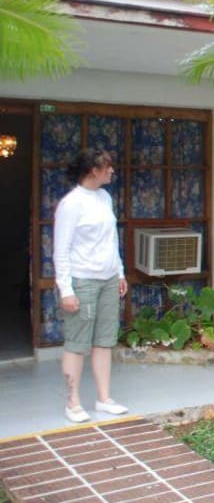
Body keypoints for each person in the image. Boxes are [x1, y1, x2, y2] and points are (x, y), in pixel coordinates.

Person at [54, 149, 129, 423]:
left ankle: (104, 398)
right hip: (83, 280)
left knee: (104, 341)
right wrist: (66, 289)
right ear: (92, 171)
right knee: (76, 344)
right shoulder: (71, 204)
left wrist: (120, 272)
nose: (112, 171)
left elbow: (111, 240)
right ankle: (73, 403)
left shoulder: (105, 197)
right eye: (107, 167)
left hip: (108, 278)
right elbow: (61, 250)